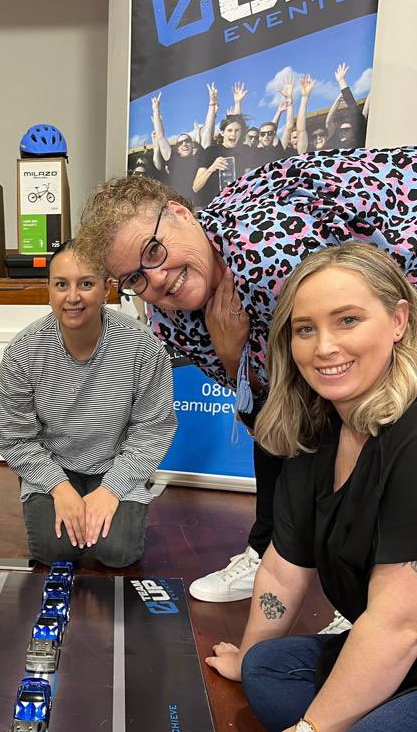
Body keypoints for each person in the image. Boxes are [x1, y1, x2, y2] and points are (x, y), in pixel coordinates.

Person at [75, 149, 417, 616]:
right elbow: (263, 412)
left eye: (154, 251)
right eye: (135, 277)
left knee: (361, 422)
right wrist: (233, 353)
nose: (157, 278)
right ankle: (271, 554)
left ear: (179, 213)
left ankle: (361, 595)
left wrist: (238, 358)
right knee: (289, 425)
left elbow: (333, 373)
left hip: (402, 261)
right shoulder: (167, 317)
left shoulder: (266, 253)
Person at [206, 243, 417, 732]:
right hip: (407, 667)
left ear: (399, 320)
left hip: (408, 647)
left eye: (347, 320)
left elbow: (399, 622)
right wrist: (252, 650)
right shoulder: (318, 429)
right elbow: (285, 567)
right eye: (304, 328)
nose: (324, 346)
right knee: (271, 673)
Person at [0, 241, 176, 567]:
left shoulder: (144, 348)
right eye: (61, 284)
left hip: (115, 463)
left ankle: (110, 505)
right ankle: (57, 500)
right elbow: (15, 438)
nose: (73, 297)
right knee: (55, 551)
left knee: (117, 552)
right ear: (48, 289)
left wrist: (112, 490)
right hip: (55, 463)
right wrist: (59, 488)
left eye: (86, 284)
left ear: (107, 289)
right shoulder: (22, 352)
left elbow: (152, 430)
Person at [192, 113, 253, 207]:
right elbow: (195, 187)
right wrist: (212, 168)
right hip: (212, 206)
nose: (233, 134)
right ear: (222, 132)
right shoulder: (210, 151)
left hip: (236, 205)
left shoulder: (245, 150)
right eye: (229, 130)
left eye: (237, 130)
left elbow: (249, 180)